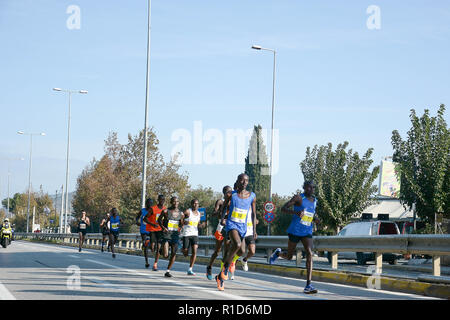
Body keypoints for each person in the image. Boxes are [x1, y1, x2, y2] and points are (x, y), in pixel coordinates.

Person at [270, 180, 320, 294]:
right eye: (308, 187)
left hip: (307, 231)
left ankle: (308, 285)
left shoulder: (315, 200)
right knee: (289, 257)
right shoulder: (298, 198)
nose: (311, 189)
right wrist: (295, 213)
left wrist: (315, 219)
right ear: (304, 188)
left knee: (309, 253)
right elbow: (283, 208)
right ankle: (278, 253)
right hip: (295, 230)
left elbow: (310, 214)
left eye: (312, 187)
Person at [215, 173, 256, 291]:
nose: (244, 182)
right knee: (237, 244)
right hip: (232, 225)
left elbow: (253, 214)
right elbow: (223, 208)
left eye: (246, 181)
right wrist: (222, 219)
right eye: (242, 180)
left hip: (243, 227)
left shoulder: (252, 196)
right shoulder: (231, 195)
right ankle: (226, 268)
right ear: (237, 181)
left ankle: (219, 277)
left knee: (242, 250)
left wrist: (254, 230)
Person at [206, 186, 232, 280]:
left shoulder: (233, 202)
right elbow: (214, 212)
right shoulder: (220, 202)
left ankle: (223, 271)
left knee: (227, 251)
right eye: (227, 192)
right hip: (220, 227)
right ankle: (209, 267)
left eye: (230, 191)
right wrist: (220, 213)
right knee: (217, 251)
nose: (229, 193)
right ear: (224, 193)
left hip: (229, 227)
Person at [158, 196, 184, 278]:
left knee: (174, 253)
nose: (175, 203)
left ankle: (168, 271)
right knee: (166, 255)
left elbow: (181, 223)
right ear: (171, 202)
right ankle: (161, 249)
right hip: (166, 235)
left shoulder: (181, 213)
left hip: (175, 235)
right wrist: (163, 228)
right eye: (174, 201)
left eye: (177, 202)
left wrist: (180, 227)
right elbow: (159, 220)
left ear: (178, 203)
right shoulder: (166, 211)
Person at [181, 199, 205, 275]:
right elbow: (180, 218)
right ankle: (183, 249)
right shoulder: (188, 211)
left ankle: (190, 269)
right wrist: (183, 222)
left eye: (197, 204)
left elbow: (198, 223)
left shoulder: (198, 213)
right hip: (186, 234)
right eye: (194, 203)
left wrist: (200, 225)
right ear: (191, 204)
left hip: (195, 234)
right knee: (185, 253)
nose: (196, 205)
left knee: (195, 251)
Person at [144, 195, 166, 271]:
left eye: (163, 199)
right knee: (153, 248)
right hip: (153, 229)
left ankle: (155, 264)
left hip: (160, 230)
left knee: (158, 247)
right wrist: (152, 224)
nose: (162, 200)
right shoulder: (153, 209)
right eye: (161, 199)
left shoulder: (165, 209)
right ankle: (149, 243)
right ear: (158, 200)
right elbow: (145, 218)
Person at [138, 198, 154, 268]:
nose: (150, 204)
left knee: (152, 245)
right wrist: (137, 221)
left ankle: (147, 244)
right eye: (148, 203)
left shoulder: (153, 211)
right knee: (146, 245)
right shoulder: (142, 211)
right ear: (146, 203)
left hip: (151, 229)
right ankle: (146, 262)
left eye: (151, 203)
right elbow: (137, 217)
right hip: (143, 230)